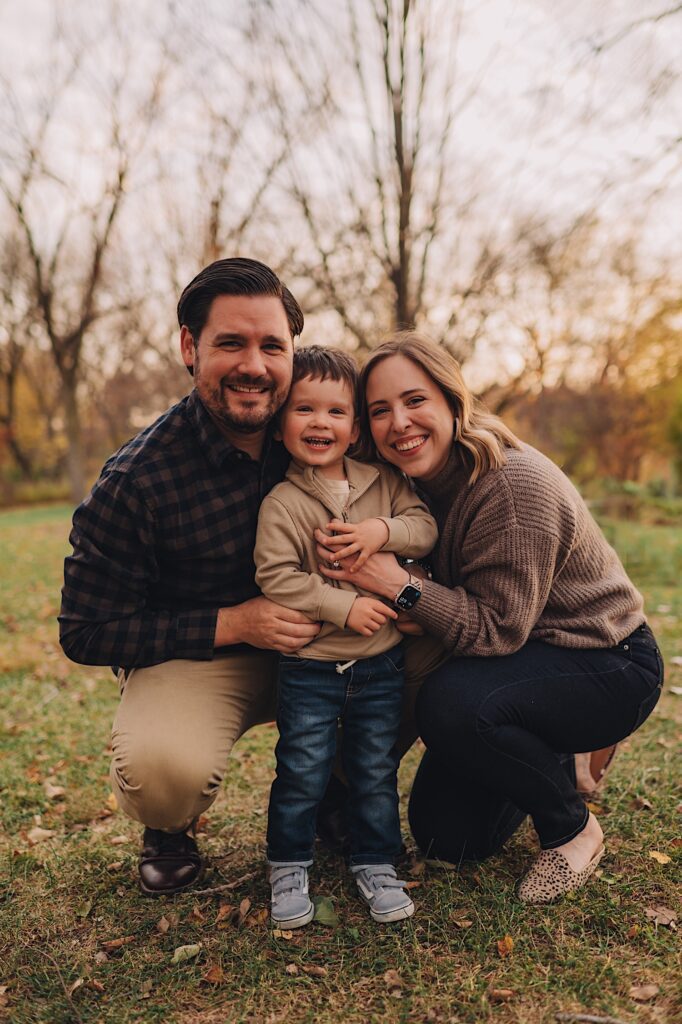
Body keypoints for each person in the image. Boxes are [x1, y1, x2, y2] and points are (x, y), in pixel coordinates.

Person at [317, 332, 664, 905]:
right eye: (379, 410)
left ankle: (571, 829)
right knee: (448, 838)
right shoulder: (409, 485)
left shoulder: (510, 486)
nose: (399, 422)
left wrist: (399, 587)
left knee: (451, 703)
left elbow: (496, 631)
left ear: (453, 401)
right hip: (524, 658)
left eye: (415, 400)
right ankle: (554, 749)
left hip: (605, 662)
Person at [59, 258, 323, 895]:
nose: (253, 366)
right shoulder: (138, 481)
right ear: (189, 347)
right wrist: (235, 623)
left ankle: (341, 795)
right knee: (163, 773)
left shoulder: (327, 430)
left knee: (435, 657)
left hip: (328, 639)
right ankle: (168, 827)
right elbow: (85, 630)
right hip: (209, 655)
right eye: (230, 342)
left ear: (294, 353)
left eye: (272, 346)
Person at [254, 346, 438, 926]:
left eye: (335, 412)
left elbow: (425, 528)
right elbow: (275, 577)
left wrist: (381, 532)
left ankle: (376, 861)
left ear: (355, 428)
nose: (319, 423)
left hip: (380, 664)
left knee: (374, 767)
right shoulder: (281, 503)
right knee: (303, 767)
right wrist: (343, 605)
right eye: (303, 409)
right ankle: (287, 863)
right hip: (311, 668)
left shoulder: (382, 483)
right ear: (282, 423)